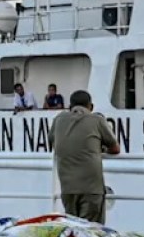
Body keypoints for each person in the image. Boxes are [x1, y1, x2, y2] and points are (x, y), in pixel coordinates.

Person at [50, 89, 120, 223]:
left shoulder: (58, 120)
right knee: (92, 232)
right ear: (91, 106)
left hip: (68, 188)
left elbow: (53, 143)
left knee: (74, 231)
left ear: (70, 107)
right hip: (91, 188)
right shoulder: (97, 120)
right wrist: (99, 148)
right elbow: (115, 148)